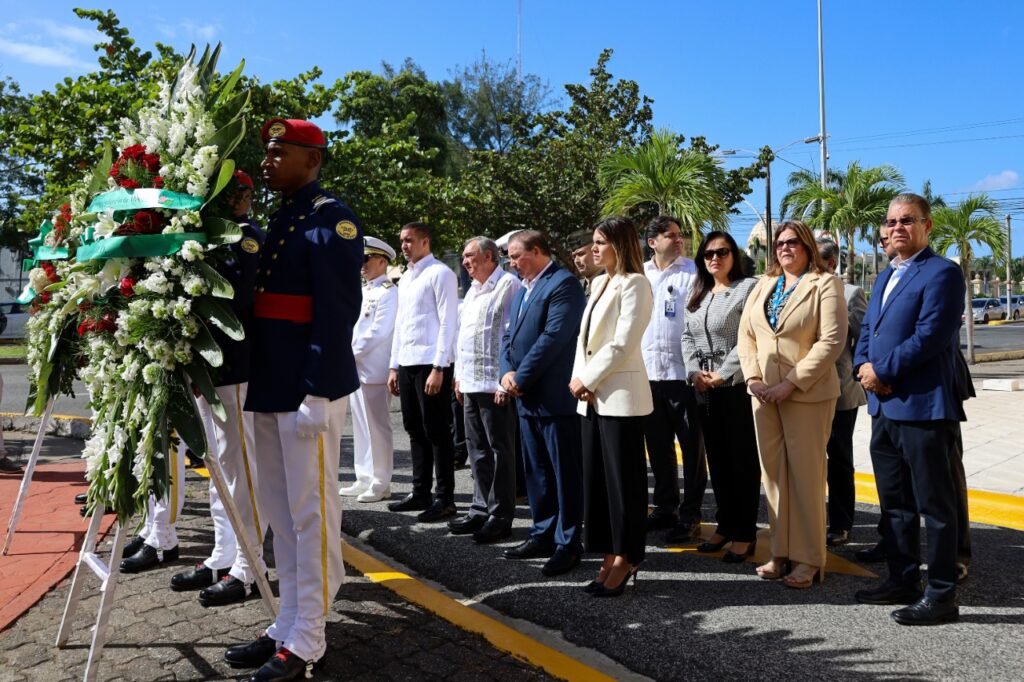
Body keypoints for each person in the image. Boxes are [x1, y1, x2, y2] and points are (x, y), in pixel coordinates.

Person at [224, 118, 362, 681]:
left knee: (312, 512)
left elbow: (336, 313)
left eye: (283, 152)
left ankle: (310, 636)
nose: (270, 159)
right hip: (271, 381)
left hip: (308, 386)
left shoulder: (334, 220)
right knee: (281, 514)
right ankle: (287, 619)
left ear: (314, 159)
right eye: (270, 151)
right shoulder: (282, 218)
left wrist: (318, 388)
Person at [853, 194, 966, 625]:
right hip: (883, 406)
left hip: (922, 406)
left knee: (936, 508)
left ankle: (941, 595)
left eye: (907, 221)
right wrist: (864, 368)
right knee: (894, 504)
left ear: (927, 226)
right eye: (891, 222)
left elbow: (931, 336)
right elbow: (868, 330)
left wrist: (882, 370)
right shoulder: (885, 276)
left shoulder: (942, 273)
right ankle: (901, 579)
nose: (897, 228)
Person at [169, 169, 269, 607]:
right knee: (218, 466)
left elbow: (236, 294)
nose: (233, 201)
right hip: (212, 371)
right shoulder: (208, 237)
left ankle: (251, 567)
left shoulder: (246, 238)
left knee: (241, 470)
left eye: (237, 194)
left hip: (237, 367)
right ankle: (223, 554)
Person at [738, 220, 847, 589]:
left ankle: (810, 559)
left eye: (793, 243)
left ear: (808, 247)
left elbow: (831, 342)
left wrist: (791, 383)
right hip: (763, 394)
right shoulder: (764, 285)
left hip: (807, 394)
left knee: (806, 477)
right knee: (773, 477)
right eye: (780, 244)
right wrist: (753, 378)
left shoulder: (825, 283)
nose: (785, 249)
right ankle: (780, 552)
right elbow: (747, 335)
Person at [568, 217, 653, 596]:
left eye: (602, 242)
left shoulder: (635, 284)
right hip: (592, 398)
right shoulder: (599, 282)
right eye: (594, 241)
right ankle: (607, 552)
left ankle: (627, 556)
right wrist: (581, 381)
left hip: (620, 398)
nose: (594, 248)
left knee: (625, 486)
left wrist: (588, 379)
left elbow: (622, 343)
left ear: (621, 245)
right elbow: (583, 340)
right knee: (598, 484)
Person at [500, 230, 586, 577]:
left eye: (515, 256)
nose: (511, 263)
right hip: (527, 397)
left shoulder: (563, 284)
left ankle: (568, 543)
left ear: (536, 252)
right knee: (536, 473)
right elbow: (509, 335)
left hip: (552, 396)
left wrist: (521, 377)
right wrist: (506, 371)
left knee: (563, 473)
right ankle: (543, 532)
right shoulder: (524, 288)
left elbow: (554, 338)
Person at [680, 231, 759, 562]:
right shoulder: (697, 292)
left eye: (722, 252)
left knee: (742, 463)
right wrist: (693, 372)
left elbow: (749, 336)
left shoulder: (748, 289)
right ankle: (725, 525)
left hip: (735, 388)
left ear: (734, 255)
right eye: (708, 254)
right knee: (718, 462)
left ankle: (744, 532)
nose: (715, 258)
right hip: (703, 390)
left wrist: (724, 373)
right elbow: (686, 336)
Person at [385, 222, 460, 522]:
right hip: (408, 362)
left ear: (425, 241)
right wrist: (393, 365)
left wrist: (440, 366)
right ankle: (420, 492)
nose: (404, 245)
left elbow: (448, 322)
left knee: (437, 432)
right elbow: (400, 325)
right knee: (414, 429)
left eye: (409, 240)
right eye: (401, 240)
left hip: (432, 363)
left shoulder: (440, 273)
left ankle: (445, 499)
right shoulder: (406, 279)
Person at [638, 216, 707, 542]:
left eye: (681, 235)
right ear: (653, 242)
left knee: (692, 448)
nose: (679, 240)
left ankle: (691, 514)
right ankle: (666, 507)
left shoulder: (693, 272)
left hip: (684, 376)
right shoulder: (640, 274)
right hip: (649, 376)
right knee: (658, 447)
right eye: (671, 235)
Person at [450, 236, 522, 543]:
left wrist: (504, 380)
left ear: (490, 257)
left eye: (470, 256)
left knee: (500, 451)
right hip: (470, 382)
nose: (465, 262)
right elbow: (463, 337)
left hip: (494, 384)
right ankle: (479, 509)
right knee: (476, 451)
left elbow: (511, 337)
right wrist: (458, 376)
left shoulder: (508, 285)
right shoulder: (473, 292)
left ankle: (501, 514)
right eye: (464, 257)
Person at [815, 238, 868, 548]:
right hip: (804, 389)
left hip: (840, 390)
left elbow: (864, 341)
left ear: (832, 263)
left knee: (838, 459)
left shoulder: (850, 294)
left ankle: (841, 524)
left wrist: (861, 373)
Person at [339, 236, 398, 503]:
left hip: (373, 368)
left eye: (365, 259)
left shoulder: (388, 292)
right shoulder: (363, 290)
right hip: (356, 367)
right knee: (361, 426)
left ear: (381, 261)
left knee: (378, 427)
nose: (360, 264)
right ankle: (363, 476)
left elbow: (378, 332)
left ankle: (381, 481)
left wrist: (348, 354)